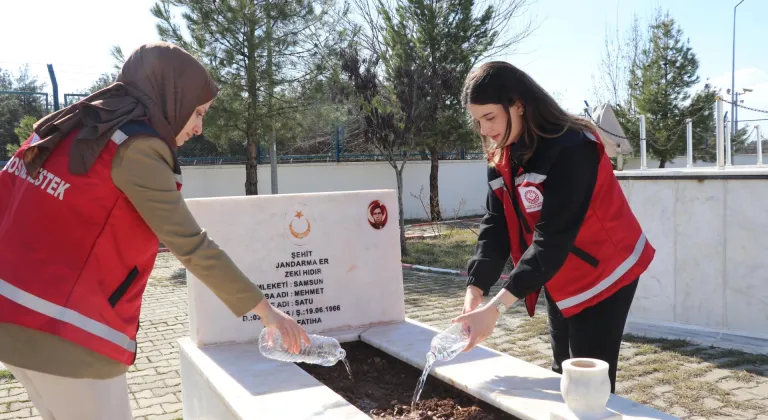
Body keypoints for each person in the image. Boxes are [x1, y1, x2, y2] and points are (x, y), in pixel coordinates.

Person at [0, 42, 310, 420]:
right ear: (170, 97)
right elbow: (192, 246)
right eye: (197, 113)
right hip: (67, 336)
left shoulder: (67, 127)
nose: (199, 127)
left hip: (15, 321)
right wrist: (269, 312)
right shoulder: (135, 148)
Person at [452, 61, 655, 393]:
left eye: (490, 118)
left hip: (605, 270)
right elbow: (496, 225)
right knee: (563, 371)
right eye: (477, 122)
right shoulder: (502, 155)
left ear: (518, 105)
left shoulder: (573, 147)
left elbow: (553, 238)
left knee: (588, 381)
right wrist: (475, 288)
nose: (484, 131)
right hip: (557, 271)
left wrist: (496, 309)